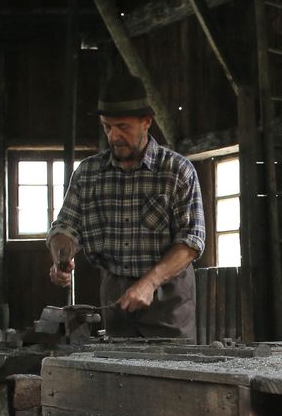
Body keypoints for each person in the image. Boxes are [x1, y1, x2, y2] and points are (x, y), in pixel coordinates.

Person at [47, 72, 205, 340]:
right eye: (107, 127)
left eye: (123, 127)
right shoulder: (87, 173)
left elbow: (191, 242)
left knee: (171, 364)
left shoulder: (177, 171)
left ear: (146, 122)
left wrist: (150, 282)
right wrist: (61, 256)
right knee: (119, 363)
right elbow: (65, 227)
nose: (114, 136)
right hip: (115, 295)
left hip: (167, 295)